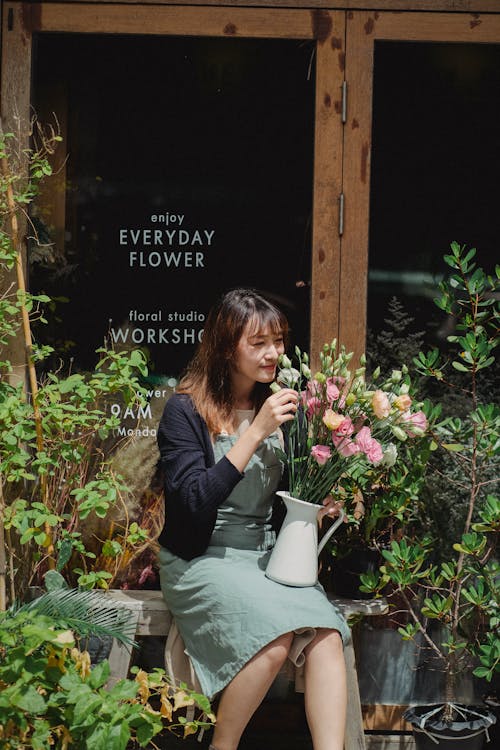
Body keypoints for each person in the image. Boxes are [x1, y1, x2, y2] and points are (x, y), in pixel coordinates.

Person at [157, 288, 349, 750]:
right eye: (259, 342)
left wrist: (316, 504)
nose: (274, 353)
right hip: (202, 559)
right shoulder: (184, 411)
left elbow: (286, 496)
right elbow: (194, 501)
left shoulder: (290, 407)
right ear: (226, 346)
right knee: (274, 639)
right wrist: (258, 429)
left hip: (268, 556)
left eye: (279, 341)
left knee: (327, 636)